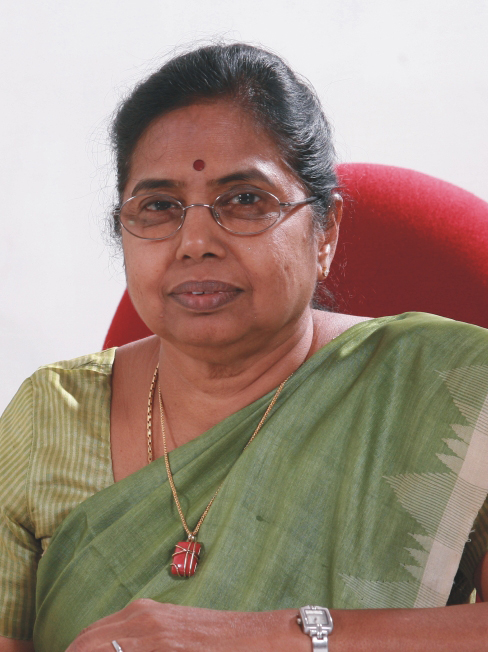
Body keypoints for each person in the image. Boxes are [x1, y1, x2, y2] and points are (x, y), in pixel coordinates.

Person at [1, 42, 487, 652]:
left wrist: (279, 635)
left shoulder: (449, 387)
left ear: (326, 232)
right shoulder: (50, 416)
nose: (195, 241)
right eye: (159, 207)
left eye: (245, 200)